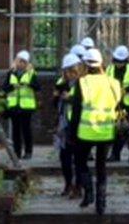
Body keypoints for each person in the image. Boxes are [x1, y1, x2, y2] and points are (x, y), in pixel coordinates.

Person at [69, 48, 122, 215]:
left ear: (85, 65)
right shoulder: (113, 83)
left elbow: (76, 110)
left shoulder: (82, 82)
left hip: (86, 131)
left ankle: (89, 192)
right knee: (101, 166)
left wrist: (72, 132)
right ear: (101, 64)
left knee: (80, 163)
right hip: (106, 131)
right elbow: (119, 106)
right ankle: (101, 202)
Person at [107, 45, 129, 163]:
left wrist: (126, 90)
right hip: (115, 105)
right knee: (116, 130)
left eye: (121, 61)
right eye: (117, 61)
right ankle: (115, 154)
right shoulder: (109, 70)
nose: (119, 63)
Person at [54, 53, 83, 197]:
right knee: (64, 157)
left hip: (78, 125)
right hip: (64, 126)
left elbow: (84, 102)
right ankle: (68, 184)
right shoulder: (62, 84)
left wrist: (70, 98)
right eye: (67, 71)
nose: (70, 74)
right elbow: (56, 106)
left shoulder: (84, 85)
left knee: (78, 159)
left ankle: (78, 187)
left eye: (72, 71)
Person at [1, 50, 39, 159]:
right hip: (14, 106)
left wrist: (29, 84)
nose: (20, 64)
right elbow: (5, 88)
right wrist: (13, 87)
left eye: (23, 62)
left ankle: (28, 152)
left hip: (26, 107)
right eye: (18, 61)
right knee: (16, 131)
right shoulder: (11, 73)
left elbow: (37, 87)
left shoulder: (31, 73)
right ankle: (16, 152)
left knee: (26, 130)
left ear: (26, 63)